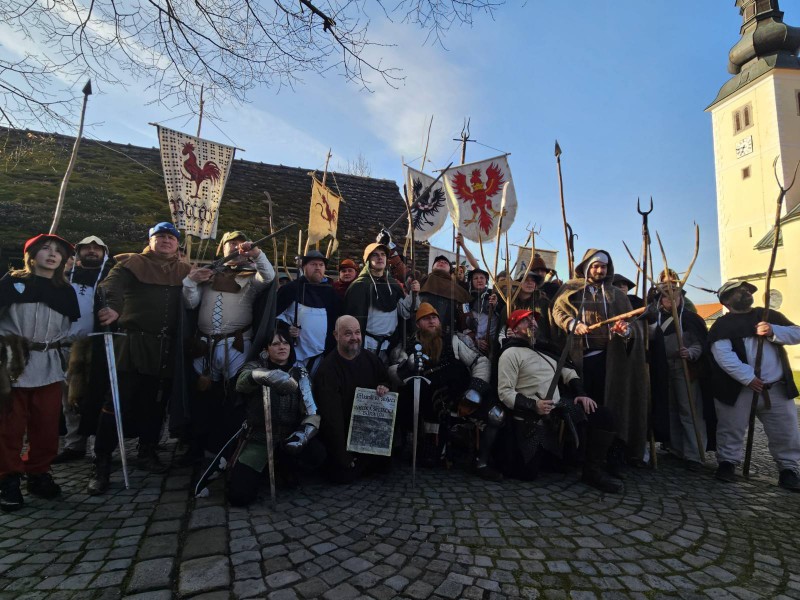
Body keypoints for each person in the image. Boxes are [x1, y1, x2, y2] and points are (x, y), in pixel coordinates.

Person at [86, 222, 192, 495]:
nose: (166, 241)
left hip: (165, 348)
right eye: (160, 237)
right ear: (150, 240)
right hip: (132, 344)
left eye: (170, 237)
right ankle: (102, 461)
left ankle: (147, 450)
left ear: (177, 244)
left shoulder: (185, 270)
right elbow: (112, 286)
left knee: (155, 404)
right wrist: (111, 307)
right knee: (115, 404)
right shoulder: (131, 264)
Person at [496, 310, 622, 492]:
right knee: (528, 474)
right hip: (531, 417)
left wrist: (581, 393)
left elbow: (568, 372)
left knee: (603, 415)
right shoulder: (510, 354)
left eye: (534, 320)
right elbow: (505, 392)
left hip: (558, 407)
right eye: (525, 321)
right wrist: (534, 405)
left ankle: (592, 471)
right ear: (514, 329)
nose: (532, 323)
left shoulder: (547, 350)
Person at [180, 231, 275, 464]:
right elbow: (190, 302)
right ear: (222, 248)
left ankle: (228, 446)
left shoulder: (251, 278)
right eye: (230, 244)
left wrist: (257, 253)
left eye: (239, 245)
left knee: (233, 399)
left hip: (237, 346)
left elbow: (270, 276)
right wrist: (191, 281)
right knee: (203, 400)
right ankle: (197, 446)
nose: (235, 248)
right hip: (204, 347)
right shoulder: (207, 276)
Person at [0, 234, 79, 511]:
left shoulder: (66, 291)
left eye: (58, 251)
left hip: (49, 362)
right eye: (45, 248)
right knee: (10, 425)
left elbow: (70, 328)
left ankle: (38, 473)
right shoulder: (12, 282)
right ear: (31, 255)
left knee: (46, 425)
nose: (52, 254)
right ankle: (7, 478)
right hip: (13, 362)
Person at [551, 249, 649, 466]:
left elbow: (634, 327)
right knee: (581, 406)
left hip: (610, 362)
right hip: (578, 361)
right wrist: (571, 324)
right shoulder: (571, 289)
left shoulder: (618, 295)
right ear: (587, 266)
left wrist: (625, 331)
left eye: (603, 266)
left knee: (608, 407)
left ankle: (606, 457)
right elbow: (557, 311)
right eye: (595, 266)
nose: (599, 270)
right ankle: (578, 454)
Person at [708, 281, 800, 491]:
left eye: (748, 290)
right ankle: (727, 463)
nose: (746, 292)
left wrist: (773, 330)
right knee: (731, 428)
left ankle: (788, 469)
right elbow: (723, 355)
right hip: (738, 388)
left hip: (775, 387)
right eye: (740, 290)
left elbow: (797, 333)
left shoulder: (767, 316)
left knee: (785, 431)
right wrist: (748, 377)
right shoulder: (722, 325)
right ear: (726, 300)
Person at [229, 324, 324, 505]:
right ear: (266, 350)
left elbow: (312, 412)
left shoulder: (300, 372)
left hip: (289, 438)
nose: (282, 347)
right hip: (259, 438)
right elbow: (241, 383)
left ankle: (286, 467)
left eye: (285, 343)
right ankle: (262, 470)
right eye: (275, 344)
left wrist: (302, 435)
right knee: (239, 496)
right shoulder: (255, 366)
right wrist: (261, 376)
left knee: (317, 453)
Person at [391, 303, 491, 472]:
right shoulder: (408, 345)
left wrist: (475, 388)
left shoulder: (454, 340)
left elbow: (480, 361)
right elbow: (392, 372)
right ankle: (422, 447)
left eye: (434, 317)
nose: (431, 321)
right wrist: (407, 366)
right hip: (424, 402)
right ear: (417, 324)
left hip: (458, 397)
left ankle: (481, 460)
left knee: (494, 413)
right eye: (426, 318)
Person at [54, 235, 115, 463]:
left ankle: (98, 448)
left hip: (99, 347)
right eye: (87, 248)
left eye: (96, 248)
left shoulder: (111, 277)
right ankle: (74, 445)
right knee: (69, 401)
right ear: (78, 252)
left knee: (98, 398)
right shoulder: (63, 278)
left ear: (104, 252)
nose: (92, 251)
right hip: (66, 345)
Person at [313, 315, 391, 482]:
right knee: (342, 474)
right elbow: (332, 418)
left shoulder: (370, 359)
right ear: (336, 336)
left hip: (368, 433)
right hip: (341, 436)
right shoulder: (328, 370)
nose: (354, 338)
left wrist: (383, 387)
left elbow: (385, 379)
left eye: (357, 332)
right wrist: (343, 454)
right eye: (348, 334)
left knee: (384, 467)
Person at [648, 285, 714, 469]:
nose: (671, 301)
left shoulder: (690, 318)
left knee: (689, 410)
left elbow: (700, 344)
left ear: (681, 299)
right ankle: (676, 448)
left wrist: (690, 352)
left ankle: (694, 454)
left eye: (675, 298)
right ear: (661, 300)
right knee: (670, 408)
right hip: (662, 369)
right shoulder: (657, 319)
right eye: (666, 298)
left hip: (684, 368)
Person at [343, 242, 419, 363]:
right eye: (375, 255)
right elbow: (351, 321)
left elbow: (405, 312)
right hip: (366, 347)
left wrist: (413, 294)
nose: (380, 257)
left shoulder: (393, 285)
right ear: (368, 260)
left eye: (383, 254)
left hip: (389, 347)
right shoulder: (359, 286)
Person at [276, 250, 341, 374]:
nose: (318, 268)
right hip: (295, 355)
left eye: (321, 265)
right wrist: (286, 329)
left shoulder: (331, 293)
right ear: (304, 266)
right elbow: (273, 316)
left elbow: (336, 322)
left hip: (322, 357)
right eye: (313, 264)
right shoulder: (290, 289)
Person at [419, 255, 471, 336]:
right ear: (433, 267)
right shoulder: (421, 280)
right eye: (438, 261)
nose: (442, 262)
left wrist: (468, 330)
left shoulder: (459, 290)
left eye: (445, 262)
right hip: (421, 332)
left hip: (447, 334)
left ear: (450, 270)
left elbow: (465, 313)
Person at [463, 268, 499, 357]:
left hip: (492, 342)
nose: (479, 280)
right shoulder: (466, 298)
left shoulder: (494, 294)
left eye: (482, 278)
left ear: (486, 280)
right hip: (472, 344)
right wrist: (475, 340)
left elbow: (501, 315)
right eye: (475, 278)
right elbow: (464, 322)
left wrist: (495, 305)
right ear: (471, 281)